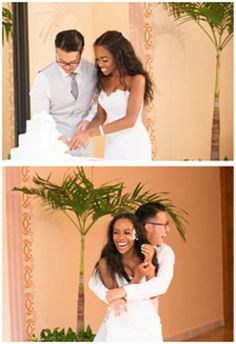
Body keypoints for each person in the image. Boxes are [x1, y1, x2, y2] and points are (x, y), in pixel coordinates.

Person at [89, 203, 175, 338]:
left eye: (127, 232)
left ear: (136, 233)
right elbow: (98, 286)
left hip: (147, 322)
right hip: (119, 323)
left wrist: (147, 265)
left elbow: (158, 288)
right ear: (147, 227)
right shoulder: (107, 262)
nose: (167, 229)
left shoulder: (163, 252)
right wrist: (112, 298)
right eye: (116, 232)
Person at [68, 30, 153, 160]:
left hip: (135, 146)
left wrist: (91, 133)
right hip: (112, 145)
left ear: (119, 57)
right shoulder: (102, 80)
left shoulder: (137, 79)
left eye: (105, 60)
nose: (100, 64)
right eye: (97, 60)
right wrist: (81, 135)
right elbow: (100, 117)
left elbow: (130, 120)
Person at [30, 29, 97, 156]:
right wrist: (57, 136)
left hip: (84, 145)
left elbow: (99, 102)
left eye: (72, 62)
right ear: (56, 51)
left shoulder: (93, 71)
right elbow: (40, 115)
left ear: (81, 53)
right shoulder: (43, 78)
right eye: (61, 61)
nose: (67, 67)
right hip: (52, 145)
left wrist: (89, 120)